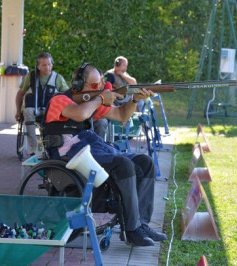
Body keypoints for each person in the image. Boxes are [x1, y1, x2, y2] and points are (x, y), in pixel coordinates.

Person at [43, 62, 167, 246]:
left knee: (145, 162)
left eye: (101, 84)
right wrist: (101, 98)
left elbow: (121, 116)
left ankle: (141, 224)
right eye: (94, 86)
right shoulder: (59, 100)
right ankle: (132, 230)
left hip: (90, 148)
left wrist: (134, 99)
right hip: (69, 156)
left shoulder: (90, 100)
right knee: (123, 164)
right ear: (78, 86)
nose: (100, 89)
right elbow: (80, 114)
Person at [15, 52, 69, 156]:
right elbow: (20, 94)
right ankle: (34, 147)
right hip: (33, 108)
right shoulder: (30, 76)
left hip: (51, 110)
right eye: (44, 65)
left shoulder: (58, 78)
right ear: (38, 66)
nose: (47, 67)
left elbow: (68, 96)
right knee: (27, 112)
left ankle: (51, 145)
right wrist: (18, 111)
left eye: (49, 64)